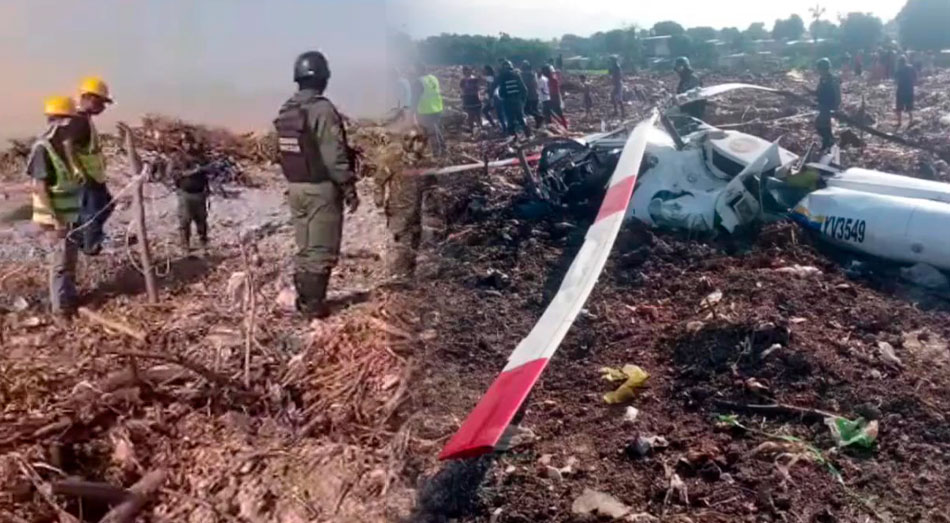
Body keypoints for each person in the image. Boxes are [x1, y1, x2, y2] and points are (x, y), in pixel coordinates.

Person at [274, 51, 360, 318]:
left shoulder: (287, 108)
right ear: (323, 78)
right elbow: (334, 157)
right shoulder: (323, 110)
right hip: (320, 189)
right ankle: (312, 308)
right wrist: (348, 187)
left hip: (296, 188)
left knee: (306, 248)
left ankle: (303, 300)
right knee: (321, 250)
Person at [27, 96, 83, 317]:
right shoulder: (43, 148)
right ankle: (60, 310)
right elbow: (40, 186)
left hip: (68, 214)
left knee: (69, 259)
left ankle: (69, 298)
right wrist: (56, 218)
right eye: (69, 121)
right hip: (53, 217)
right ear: (61, 121)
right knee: (59, 263)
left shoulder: (61, 146)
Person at [64, 76, 114, 256]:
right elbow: (68, 145)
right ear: (90, 98)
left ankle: (81, 238)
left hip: (93, 176)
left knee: (105, 205)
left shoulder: (84, 120)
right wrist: (78, 170)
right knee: (93, 211)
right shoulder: (79, 121)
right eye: (101, 102)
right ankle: (89, 244)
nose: (103, 107)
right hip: (87, 177)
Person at [167, 130, 212, 255]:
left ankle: (204, 244)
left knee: (201, 221)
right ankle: (185, 247)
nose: (188, 145)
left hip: (200, 193)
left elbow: (206, 174)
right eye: (186, 142)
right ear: (181, 143)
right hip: (185, 193)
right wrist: (189, 172)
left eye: (190, 142)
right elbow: (171, 174)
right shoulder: (177, 158)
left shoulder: (200, 157)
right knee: (185, 221)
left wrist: (207, 187)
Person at [412, 63, 446, 157]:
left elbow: (415, 99)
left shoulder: (419, 82)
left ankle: (437, 153)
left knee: (431, 132)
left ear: (417, 70)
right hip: (437, 108)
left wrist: (412, 113)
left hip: (427, 110)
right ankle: (443, 148)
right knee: (435, 129)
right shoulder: (433, 78)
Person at [496, 60, 531, 138]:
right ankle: (528, 135)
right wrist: (523, 100)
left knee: (510, 120)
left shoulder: (502, 77)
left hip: (507, 101)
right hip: (517, 100)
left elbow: (501, 91)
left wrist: (502, 98)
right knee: (521, 118)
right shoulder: (517, 75)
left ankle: (513, 138)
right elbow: (524, 89)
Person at [814, 57, 841, 150]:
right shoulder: (822, 79)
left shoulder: (832, 80)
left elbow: (837, 94)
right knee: (823, 125)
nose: (819, 71)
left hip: (829, 106)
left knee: (821, 125)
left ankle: (828, 142)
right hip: (822, 105)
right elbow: (818, 92)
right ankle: (829, 141)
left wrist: (836, 106)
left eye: (820, 69)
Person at [674, 57, 706, 121]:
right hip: (686, 109)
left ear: (685, 67)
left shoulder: (693, 78)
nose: (678, 71)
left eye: (680, 68)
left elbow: (693, 94)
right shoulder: (683, 80)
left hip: (694, 109)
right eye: (677, 68)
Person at [459, 66, 483, 134]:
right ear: (464, 72)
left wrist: (479, 97)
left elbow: (478, 88)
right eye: (466, 71)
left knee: (478, 115)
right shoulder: (463, 81)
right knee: (471, 116)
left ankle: (481, 129)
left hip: (475, 99)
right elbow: (462, 91)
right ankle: (472, 131)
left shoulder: (475, 79)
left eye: (469, 70)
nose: (468, 72)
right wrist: (463, 101)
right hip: (468, 100)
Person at [895, 55, 917, 128]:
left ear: (900, 62)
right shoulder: (911, 68)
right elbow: (915, 77)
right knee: (909, 107)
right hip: (910, 90)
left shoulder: (899, 69)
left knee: (899, 107)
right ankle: (911, 121)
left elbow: (896, 79)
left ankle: (899, 122)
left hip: (901, 90)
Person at [521, 61, 543, 129]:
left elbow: (525, 86)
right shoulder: (533, 74)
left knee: (527, 110)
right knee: (534, 110)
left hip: (529, 96)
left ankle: (539, 118)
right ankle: (538, 123)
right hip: (535, 95)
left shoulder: (524, 75)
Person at [481, 65, 500, 129]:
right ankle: (496, 124)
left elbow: (492, 88)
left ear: (488, 70)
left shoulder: (490, 77)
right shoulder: (493, 77)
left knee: (485, 110)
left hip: (494, 97)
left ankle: (494, 125)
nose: (484, 71)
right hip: (495, 97)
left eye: (485, 70)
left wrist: (490, 97)